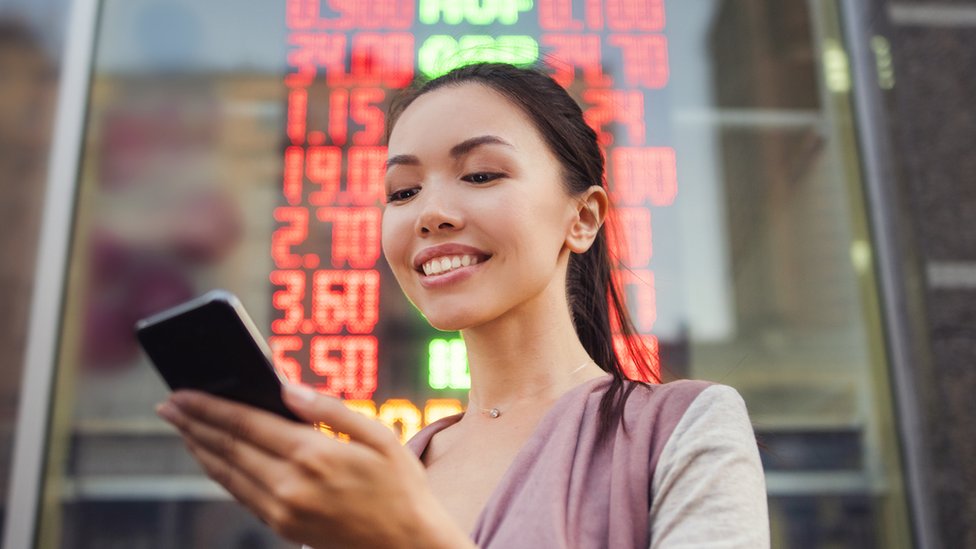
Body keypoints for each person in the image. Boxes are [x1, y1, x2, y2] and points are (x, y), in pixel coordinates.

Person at [155, 62, 769, 548]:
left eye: (479, 175)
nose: (430, 213)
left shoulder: (687, 428)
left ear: (582, 218)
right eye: (403, 190)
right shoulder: (389, 473)